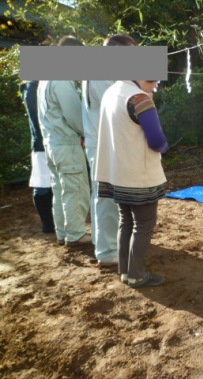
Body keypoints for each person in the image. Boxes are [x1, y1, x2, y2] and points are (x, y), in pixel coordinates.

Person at [95, 79, 168, 288]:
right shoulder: (139, 99)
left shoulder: (111, 92)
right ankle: (136, 275)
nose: (155, 86)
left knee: (126, 221)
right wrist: (165, 145)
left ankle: (125, 272)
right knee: (143, 225)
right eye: (152, 81)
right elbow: (156, 140)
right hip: (138, 174)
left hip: (117, 172)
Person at [82, 34, 136, 267]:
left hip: (101, 141)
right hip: (105, 143)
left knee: (102, 197)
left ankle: (102, 242)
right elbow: (118, 108)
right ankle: (107, 250)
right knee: (107, 199)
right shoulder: (103, 73)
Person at [37, 35, 91, 246]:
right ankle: (76, 234)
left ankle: (63, 232)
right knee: (75, 191)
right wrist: (87, 133)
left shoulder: (45, 78)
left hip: (51, 143)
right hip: (66, 144)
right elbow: (74, 114)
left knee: (60, 191)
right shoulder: (61, 78)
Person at [20, 80, 55, 234]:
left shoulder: (31, 86)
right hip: (43, 143)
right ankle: (48, 224)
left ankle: (49, 223)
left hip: (42, 142)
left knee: (44, 184)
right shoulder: (33, 87)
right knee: (43, 185)